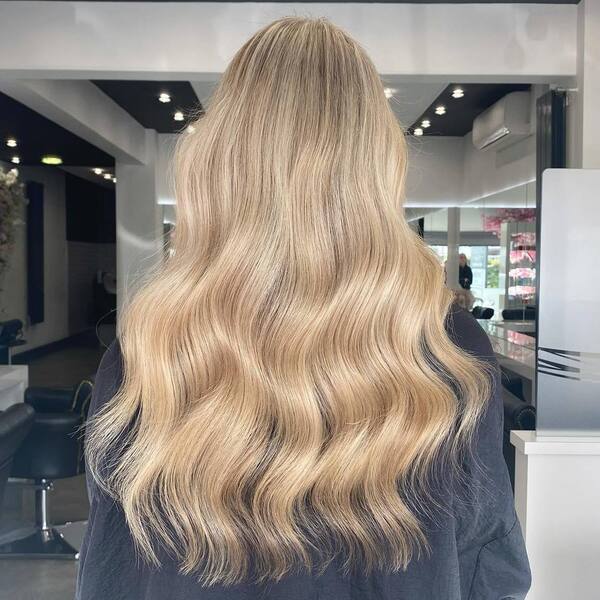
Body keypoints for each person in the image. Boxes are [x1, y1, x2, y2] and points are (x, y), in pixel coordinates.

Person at [78, 18, 530, 600]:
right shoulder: (447, 346)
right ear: (375, 164)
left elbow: (108, 572)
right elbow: (494, 568)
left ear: (222, 159)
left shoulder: (156, 345)